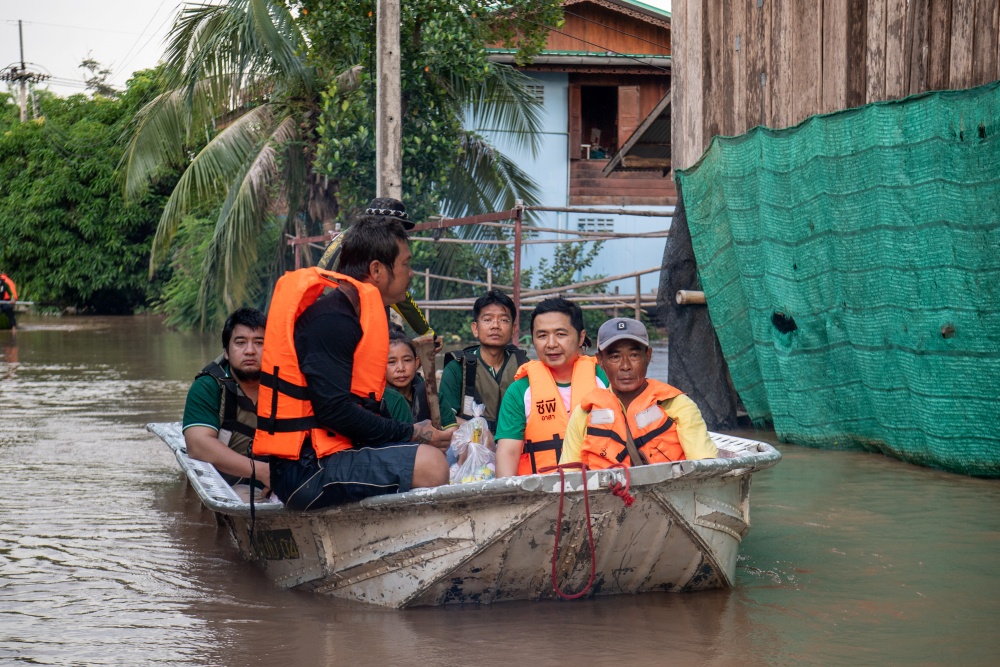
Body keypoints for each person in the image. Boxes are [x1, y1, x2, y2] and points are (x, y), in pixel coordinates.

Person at [254, 201, 452, 511]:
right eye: (405, 265)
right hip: (305, 472)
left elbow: (361, 408)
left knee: (437, 448)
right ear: (376, 270)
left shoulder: (358, 312)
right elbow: (335, 411)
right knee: (432, 465)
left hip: (335, 450)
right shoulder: (332, 320)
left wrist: (417, 434)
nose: (411, 274)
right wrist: (412, 431)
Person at [560, 318, 718, 467]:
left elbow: (704, 467)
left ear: (648, 356)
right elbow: (569, 475)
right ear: (600, 361)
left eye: (634, 355)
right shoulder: (583, 414)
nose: (626, 366)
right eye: (615, 357)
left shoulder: (679, 406)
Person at [494, 297, 609, 477]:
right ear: (533, 340)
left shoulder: (604, 379)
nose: (551, 344)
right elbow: (508, 453)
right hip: (540, 492)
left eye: (561, 334)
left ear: (581, 338)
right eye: (542, 336)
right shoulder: (519, 391)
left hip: (599, 486)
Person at [182, 308, 270, 493]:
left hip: (278, 481)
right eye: (240, 342)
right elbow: (197, 445)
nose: (250, 351)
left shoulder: (287, 387)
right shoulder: (208, 387)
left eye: (259, 343)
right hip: (228, 484)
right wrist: (262, 472)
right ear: (227, 352)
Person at [438, 289, 528, 434]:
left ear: (513, 329)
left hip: (516, 443)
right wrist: (482, 433)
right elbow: (445, 417)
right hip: (471, 445)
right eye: (487, 320)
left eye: (504, 320)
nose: (495, 326)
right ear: (475, 328)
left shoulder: (524, 366)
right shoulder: (457, 367)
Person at [386, 324, 431, 423]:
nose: (401, 368)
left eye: (407, 360)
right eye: (391, 362)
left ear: (417, 363)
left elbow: (451, 427)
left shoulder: (429, 393)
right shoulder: (379, 401)